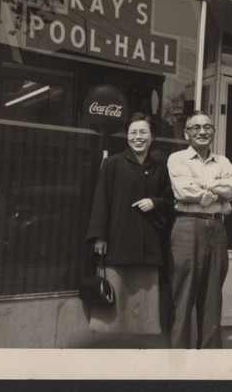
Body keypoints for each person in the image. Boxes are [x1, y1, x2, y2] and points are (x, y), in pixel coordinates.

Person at [86, 112, 174, 339]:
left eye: (143, 132)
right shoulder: (113, 163)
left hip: (148, 244)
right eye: (133, 132)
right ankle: (110, 339)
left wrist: (154, 202)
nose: (138, 137)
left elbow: (170, 202)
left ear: (152, 136)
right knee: (116, 293)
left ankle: (140, 340)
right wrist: (99, 236)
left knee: (144, 301)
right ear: (127, 136)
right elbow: (101, 201)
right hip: (118, 241)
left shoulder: (160, 169)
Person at [167, 110, 232, 348]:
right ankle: (178, 360)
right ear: (186, 133)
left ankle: (209, 359)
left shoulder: (224, 162)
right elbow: (183, 191)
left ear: (213, 131)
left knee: (212, 298)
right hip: (187, 227)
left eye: (207, 127)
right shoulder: (177, 159)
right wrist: (216, 193)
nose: (202, 131)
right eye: (196, 127)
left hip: (217, 229)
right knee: (183, 295)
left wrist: (203, 186)